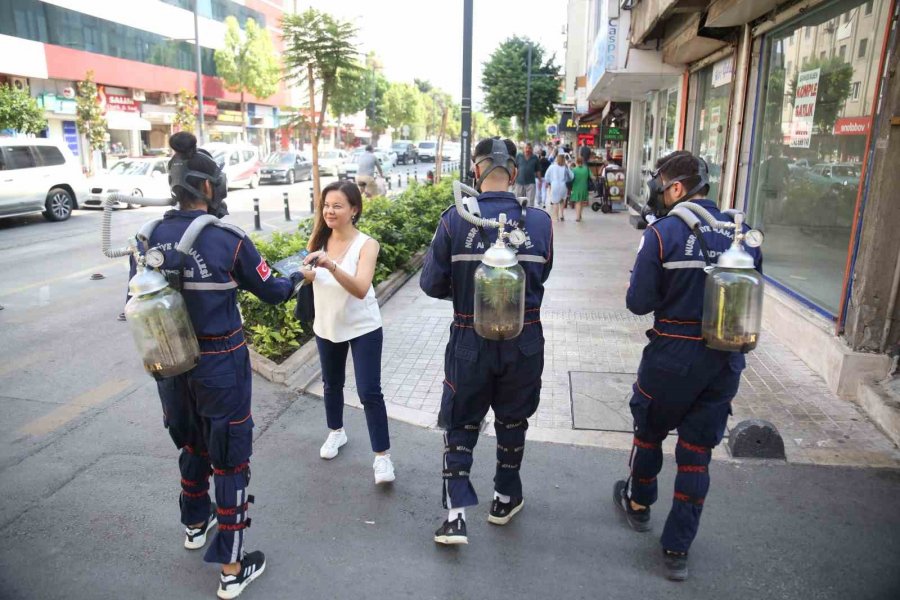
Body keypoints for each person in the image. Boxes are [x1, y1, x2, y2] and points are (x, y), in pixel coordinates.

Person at [133, 132, 303, 599]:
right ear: (207, 187)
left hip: (170, 364)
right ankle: (231, 569)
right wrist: (297, 278)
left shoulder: (146, 237)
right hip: (220, 364)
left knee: (190, 441)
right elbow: (273, 289)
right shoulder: (225, 238)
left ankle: (194, 523)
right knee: (229, 458)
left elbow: (135, 298)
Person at [613, 151, 763, 581]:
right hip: (723, 359)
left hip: (671, 357)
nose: (656, 192)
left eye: (660, 184)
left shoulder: (663, 234)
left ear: (676, 188)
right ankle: (677, 550)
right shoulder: (743, 233)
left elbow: (638, 302)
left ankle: (639, 504)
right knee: (696, 455)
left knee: (649, 431)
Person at [420, 138, 553, 546]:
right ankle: (503, 498)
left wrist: (467, 296)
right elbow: (542, 275)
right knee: (513, 418)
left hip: (469, 338)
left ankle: (455, 516)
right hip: (524, 337)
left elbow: (429, 283)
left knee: (461, 421)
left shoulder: (455, 219)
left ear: (476, 171)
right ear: (513, 173)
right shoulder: (541, 221)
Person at [298, 180, 395, 484]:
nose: (330, 211)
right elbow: (316, 278)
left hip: (363, 327)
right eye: (326, 205)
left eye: (337, 205)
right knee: (331, 384)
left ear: (354, 209)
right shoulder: (318, 242)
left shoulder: (367, 244)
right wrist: (306, 273)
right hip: (327, 324)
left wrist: (329, 265)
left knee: (369, 392)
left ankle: (382, 458)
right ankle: (336, 432)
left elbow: (361, 287)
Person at [544, 154, 572, 222]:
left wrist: (548, 182)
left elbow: (546, 175)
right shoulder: (566, 167)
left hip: (555, 185)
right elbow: (571, 176)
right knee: (562, 201)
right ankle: (562, 215)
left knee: (555, 202)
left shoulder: (552, 167)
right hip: (563, 186)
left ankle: (556, 217)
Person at [569, 156, 591, 222]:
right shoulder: (586, 169)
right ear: (583, 162)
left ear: (576, 162)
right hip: (584, 187)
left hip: (576, 187)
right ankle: (580, 214)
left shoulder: (574, 170)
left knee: (577, 202)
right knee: (581, 202)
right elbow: (592, 177)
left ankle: (578, 217)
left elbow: (570, 179)